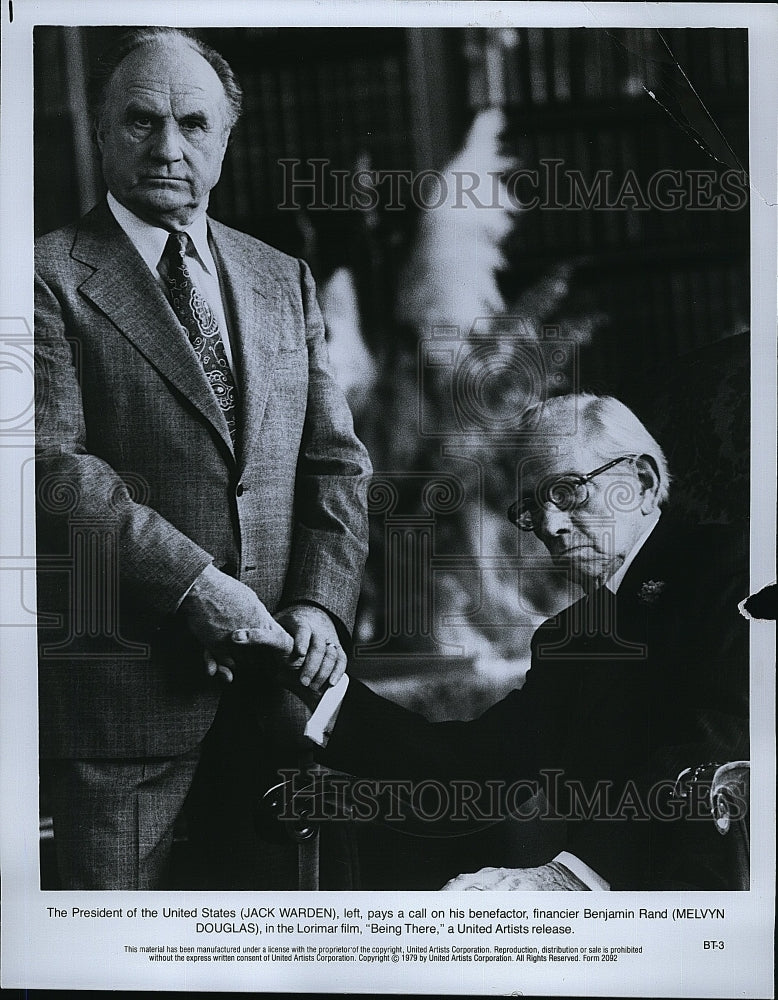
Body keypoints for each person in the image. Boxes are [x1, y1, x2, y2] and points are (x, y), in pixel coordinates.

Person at [35, 27, 371, 890]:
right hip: (125, 713)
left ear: (225, 140)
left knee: (274, 961)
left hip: (276, 697)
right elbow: (47, 466)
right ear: (103, 132)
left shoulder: (279, 276)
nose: (167, 148)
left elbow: (335, 464)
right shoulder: (39, 278)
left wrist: (320, 606)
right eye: (141, 122)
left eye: (193, 124)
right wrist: (194, 586)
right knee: (112, 965)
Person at [240, 393, 749, 890]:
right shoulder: (569, 637)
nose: (548, 525)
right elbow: (477, 767)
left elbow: (720, 749)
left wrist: (572, 877)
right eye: (531, 507)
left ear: (640, 482)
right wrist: (316, 678)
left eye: (567, 492)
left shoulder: (739, 574)